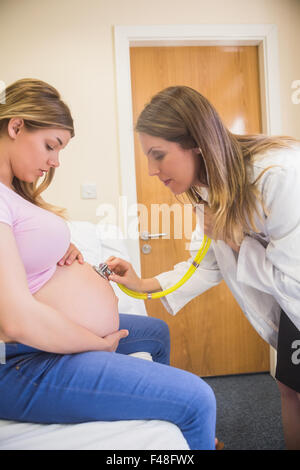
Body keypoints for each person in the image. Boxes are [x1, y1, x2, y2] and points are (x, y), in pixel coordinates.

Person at [0, 79, 217, 450]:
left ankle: (170, 425)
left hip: (42, 343)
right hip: (22, 358)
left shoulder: (14, 194)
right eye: (51, 145)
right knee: (198, 400)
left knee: (155, 333)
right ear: (16, 126)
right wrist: (96, 345)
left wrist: (58, 245)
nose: (55, 161)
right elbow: (15, 320)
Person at [105, 85, 300, 450]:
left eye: (158, 155)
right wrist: (143, 282)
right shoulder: (210, 190)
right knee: (290, 387)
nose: (151, 170)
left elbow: (295, 278)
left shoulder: (279, 175)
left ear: (195, 142)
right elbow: (206, 265)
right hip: (290, 306)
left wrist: (234, 238)